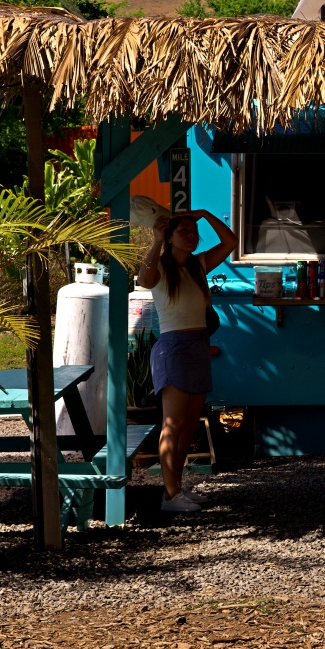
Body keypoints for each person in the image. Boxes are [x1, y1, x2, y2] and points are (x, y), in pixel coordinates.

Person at [135, 208, 238, 512]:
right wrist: (156, 241)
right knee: (172, 425)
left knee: (188, 426)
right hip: (174, 348)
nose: (191, 236)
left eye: (194, 232)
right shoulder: (161, 266)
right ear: (170, 236)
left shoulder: (197, 265)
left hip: (198, 346)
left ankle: (175, 490)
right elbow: (143, 279)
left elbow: (231, 242)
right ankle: (169, 494)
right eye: (184, 231)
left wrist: (204, 213)